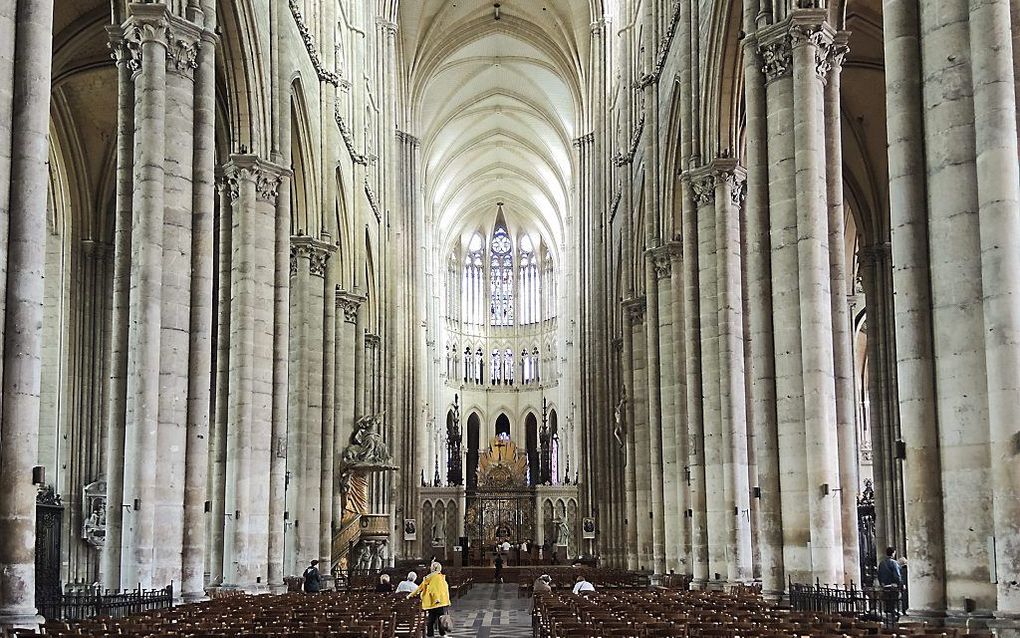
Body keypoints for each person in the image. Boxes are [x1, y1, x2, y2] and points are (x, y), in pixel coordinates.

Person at [408, 561, 452, 637]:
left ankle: (430, 634)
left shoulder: (428, 577)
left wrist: (411, 595)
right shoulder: (437, 577)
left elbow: (420, 587)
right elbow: (434, 589)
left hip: (431, 602)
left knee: (431, 619)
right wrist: (437, 599)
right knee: (441, 618)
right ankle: (442, 634)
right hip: (438, 601)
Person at [877, 547, 903, 618]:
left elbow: (879, 574)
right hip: (893, 586)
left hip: (885, 586)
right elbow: (897, 575)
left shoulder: (882, 563)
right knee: (894, 604)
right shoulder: (894, 563)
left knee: (887, 604)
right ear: (893, 553)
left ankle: (887, 619)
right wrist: (900, 584)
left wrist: (882, 583)